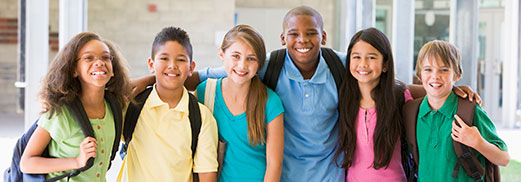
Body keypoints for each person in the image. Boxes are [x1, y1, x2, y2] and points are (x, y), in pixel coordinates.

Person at [131, 6, 480, 182]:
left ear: (323, 37)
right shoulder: (263, 66)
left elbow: (387, 80)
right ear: (283, 38)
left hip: (330, 175)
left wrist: (449, 89)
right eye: (294, 34)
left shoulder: (342, 65)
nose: (303, 40)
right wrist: (141, 81)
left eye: (311, 33)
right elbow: (192, 75)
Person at [19, 32, 132, 181]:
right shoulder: (61, 113)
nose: (99, 63)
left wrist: (156, 77)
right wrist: (77, 161)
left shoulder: (115, 106)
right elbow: (27, 163)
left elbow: (133, 88)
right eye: (88, 58)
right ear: (74, 70)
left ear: (113, 69)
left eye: (105, 57)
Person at [116, 27, 218, 182]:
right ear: (151, 64)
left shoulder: (202, 117)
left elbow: (207, 176)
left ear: (191, 67)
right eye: (164, 58)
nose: (172, 65)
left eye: (181, 60)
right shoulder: (133, 106)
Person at [195, 25, 284, 182]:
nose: (242, 65)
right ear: (221, 54)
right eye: (236, 56)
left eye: (251, 58)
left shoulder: (270, 102)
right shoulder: (205, 92)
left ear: (260, 63)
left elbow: (274, 165)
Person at [413, 40, 509, 181]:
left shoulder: (470, 111)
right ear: (419, 74)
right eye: (428, 69)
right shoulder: (413, 112)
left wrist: (478, 142)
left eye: (444, 69)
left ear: (457, 75)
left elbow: (504, 158)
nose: (435, 76)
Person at [334, 28, 412, 181]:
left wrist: (454, 89)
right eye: (356, 57)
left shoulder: (399, 97)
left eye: (371, 57)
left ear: (385, 65)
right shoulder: (344, 98)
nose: (363, 64)